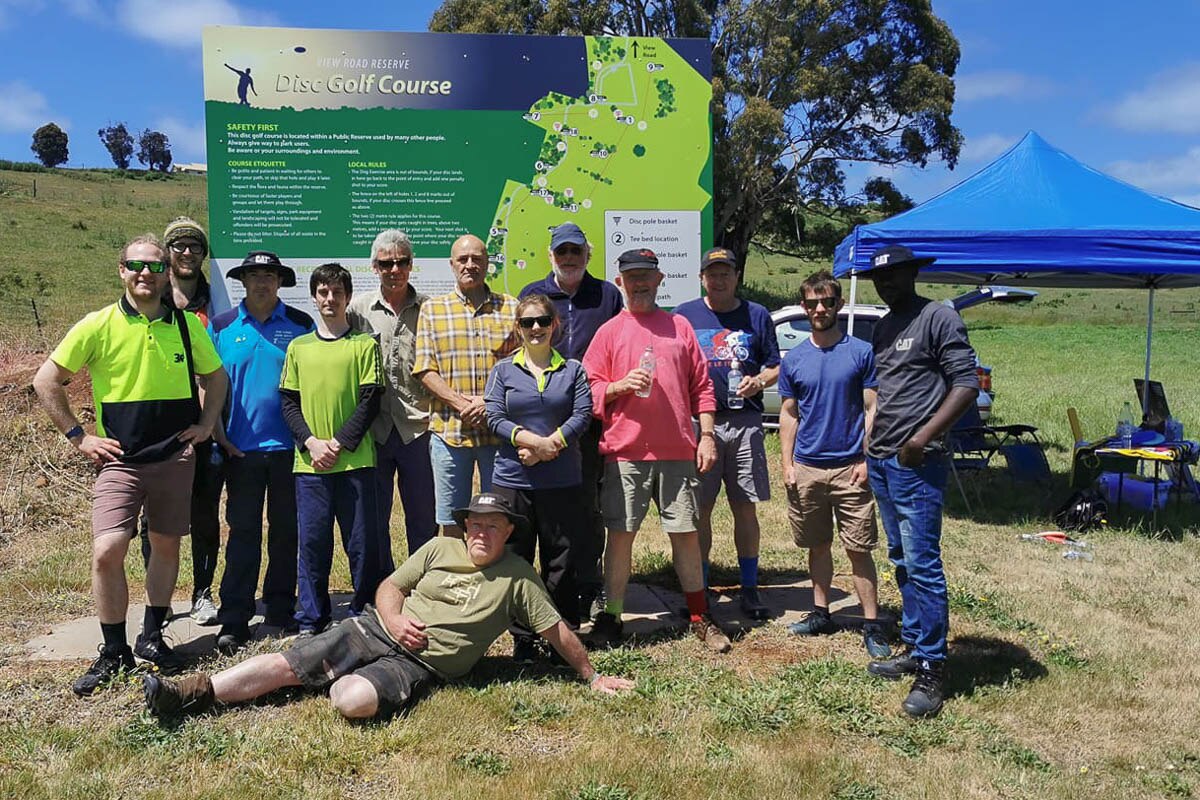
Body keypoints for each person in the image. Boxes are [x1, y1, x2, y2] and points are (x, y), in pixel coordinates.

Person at [142, 493, 634, 721]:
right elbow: (389, 589)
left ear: (509, 532)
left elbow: (556, 632)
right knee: (289, 662)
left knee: (350, 701)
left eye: (492, 526)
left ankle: (334, 672)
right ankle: (190, 694)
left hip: (419, 664)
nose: (481, 533)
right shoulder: (440, 549)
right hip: (377, 629)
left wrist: (591, 676)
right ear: (464, 528)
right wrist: (395, 619)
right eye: (475, 524)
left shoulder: (518, 579)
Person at [31, 233, 228, 695]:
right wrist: (80, 437)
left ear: (166, 274)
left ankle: (152, 638)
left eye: (156, 267)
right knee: (107, 551)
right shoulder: (97, 325)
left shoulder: (185, 326)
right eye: (137, 265)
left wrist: (206, 424)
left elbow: (215, 377)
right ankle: (114, 651)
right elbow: (47, 380)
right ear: (121, 270)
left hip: (174, 457)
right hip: (119, 460)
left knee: (165, 547)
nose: (146, 273)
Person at [582, 248, 731, 653]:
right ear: (620, 283)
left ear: (660, 278)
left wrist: (706, 436)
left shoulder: (679, 327)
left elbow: (702, 387)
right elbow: (589, 389)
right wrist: (618, 386)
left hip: (678, 451)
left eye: (647, 274)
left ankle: (700, 616)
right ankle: (612, 616)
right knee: (620, 536)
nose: (640, 282)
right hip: (625, 453)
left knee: (685, 534)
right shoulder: (609, 332)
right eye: (632, 276)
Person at [856, 245, 979, 719]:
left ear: (912, 275)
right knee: (901, 558)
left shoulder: (938, 318)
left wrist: (924, 436)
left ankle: (933, 666)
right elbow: (884, 392)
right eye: (880, 280)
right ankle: (914, 644)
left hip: (917, 461)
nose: (887, 284)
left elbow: (966, 383)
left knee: (924, 562)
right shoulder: (884, 326)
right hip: (884, 459)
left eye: (895, 276)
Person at [778, 270, 890, 659]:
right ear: (804, 307)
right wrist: (787, 464)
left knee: (858, 547)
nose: (819, 309)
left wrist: (865, 457)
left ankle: (872, 623)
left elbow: (872, 407)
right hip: (807, 467)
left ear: (839, 305)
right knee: (817, 544)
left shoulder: (859, 351)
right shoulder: (795, 358)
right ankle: (821, 611)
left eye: (826, 302)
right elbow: (789, 414)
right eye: (812, 303)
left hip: (850, 467)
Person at [207, 251, 314, 654]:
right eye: (254, 275)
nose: (262, 282)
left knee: (287, 533)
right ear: (243, 280)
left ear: (281, 281)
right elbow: (210, 384)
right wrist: (217, 433)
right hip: (240, 451)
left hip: (290, 449)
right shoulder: (222, 326)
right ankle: (234, 617)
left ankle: (280, 609)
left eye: (270, 275)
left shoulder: (301, 325)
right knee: (243, 533)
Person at [519, 222, 623, 621]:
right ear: (551, 255)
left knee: (587, 506)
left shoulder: (608, 295)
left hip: (591, 421)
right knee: (543, 508)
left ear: (587, 255)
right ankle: (539, 593)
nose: (568, 258)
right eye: (561, 251)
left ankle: (589, 584)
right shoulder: (534, 295)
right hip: (541, 419)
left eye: (575, 251)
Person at [278, 263, 386, 635]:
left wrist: (338, 444)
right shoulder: (299, 347)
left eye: (336, 293)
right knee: (312, 546)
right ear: (313, 297)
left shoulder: (364, 345)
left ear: (347, 298)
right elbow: (288, 402)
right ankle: (312, 618)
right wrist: (311, 443)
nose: (329, 299)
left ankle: (365, 612)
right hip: (310, 468)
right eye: (323, 292)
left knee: (362, 546)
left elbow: (371, 401)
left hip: (354, 464)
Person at [484, 295, 592, 662]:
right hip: (513, 480)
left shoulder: (573, 370)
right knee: (516, 559)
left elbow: (582, 415)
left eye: (542, 320)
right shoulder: (502, 371)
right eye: (527, 322)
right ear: (518, 327)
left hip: (561, 480)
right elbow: (494, 417)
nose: (535, 328)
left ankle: (561, 633)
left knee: (560, 559)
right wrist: (532, 442)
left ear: (554, 325)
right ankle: (523, 637)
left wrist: (551, 446)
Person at [675, 247, 780, 620]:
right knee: (699, 508)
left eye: (725, 273)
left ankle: (749, 588)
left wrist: (760, 380)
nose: (718, 280)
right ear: (702, 277)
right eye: (711, 273)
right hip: (699, 424)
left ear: (737, 276)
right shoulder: (684, 315)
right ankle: (700, 588)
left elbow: (774, 366)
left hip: (746, 423)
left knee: (744, 507)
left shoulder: (756, 315)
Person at [140, 216, 223, 626]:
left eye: (195, 246)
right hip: (159, 424)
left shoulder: (218, 299)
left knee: (205, 511)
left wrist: (213, 422)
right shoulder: (150, 298)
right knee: (154, 516)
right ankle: (161, 597)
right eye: (179, 245)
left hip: (207, 422)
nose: (187, 252)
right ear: (168, 254)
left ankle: (203, 592)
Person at [412, 234, 519, 538]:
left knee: (499, 515)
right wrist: (462, 404)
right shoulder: (433, 310)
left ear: (488, 264)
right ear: (451, 264)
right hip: (449, 432)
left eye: (477, 259)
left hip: (497, 433)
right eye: (463, 259)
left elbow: (519, 368)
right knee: (450, 518)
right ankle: (452, 580)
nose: (470, 265)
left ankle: (494, 582)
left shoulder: (511, 308)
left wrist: (488, 404)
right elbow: (425, 369)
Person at [348, 230, 437, 557]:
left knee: (423, 518)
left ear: (411, 264)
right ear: (374, 267)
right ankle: (379, 587)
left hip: (420, 427)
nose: (394, 269)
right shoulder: (357, 310)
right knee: (372, 518)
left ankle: (422, 589)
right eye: (387, 263)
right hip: (375, 431)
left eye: (401, 262)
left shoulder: (430, 309)